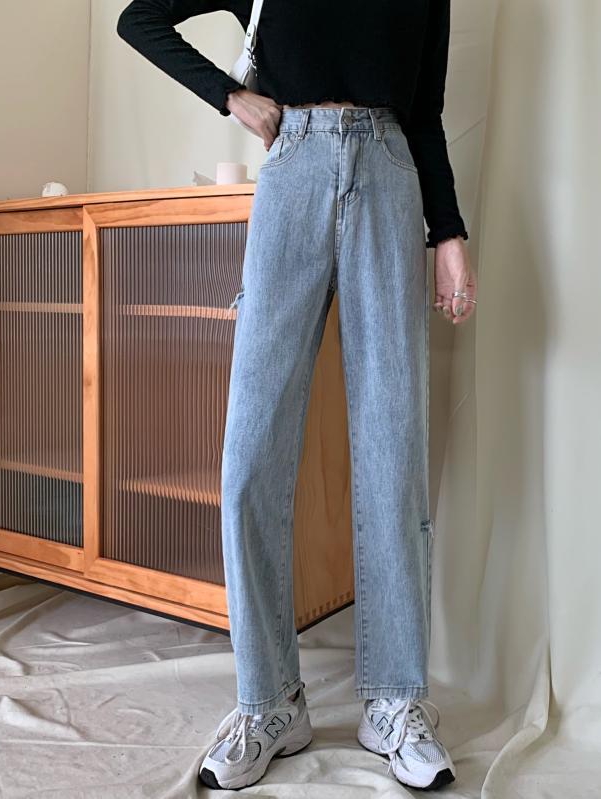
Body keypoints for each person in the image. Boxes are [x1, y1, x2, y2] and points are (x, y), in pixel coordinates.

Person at [116, 0, 476, 790]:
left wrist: (447, 234)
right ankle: (270, 700)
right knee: (251, 455)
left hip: (389, 173)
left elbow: (425, 113)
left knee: (393, 450)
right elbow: (140, 18)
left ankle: (395, 700)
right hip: (294, 170)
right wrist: (230, 96)